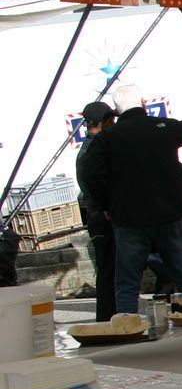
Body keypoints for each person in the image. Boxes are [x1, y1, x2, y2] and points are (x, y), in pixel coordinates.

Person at [79, 84, 182, 315]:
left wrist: (105, 205)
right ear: (143, 104)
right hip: (170, 215)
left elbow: (90, 176)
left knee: (128, 285)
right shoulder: (162, 127)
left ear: (117, 111)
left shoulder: (107, 139)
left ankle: (128, 332)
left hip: (129, 220)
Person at [76, 101, 118, 321]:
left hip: (100, 214)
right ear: (102, 122)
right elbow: (92, 184)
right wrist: (107, 207)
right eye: (111, 120)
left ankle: (112, 317)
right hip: (102, 217)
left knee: (110, 270)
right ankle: (107, 319)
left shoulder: (92, 147)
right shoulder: (93, 150)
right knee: (109, 271)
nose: (114, 123)